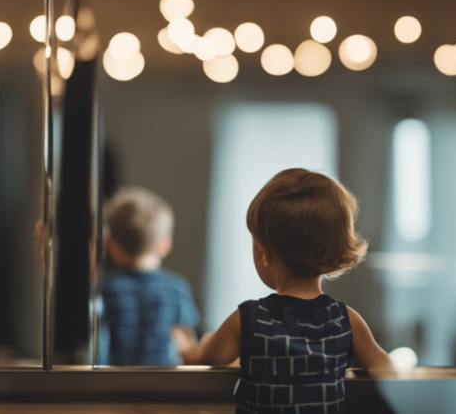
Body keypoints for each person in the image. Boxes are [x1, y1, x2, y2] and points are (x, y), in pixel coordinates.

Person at [175, 168, 393, 413]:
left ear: (264, 251)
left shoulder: (249, 319)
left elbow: (207, 357)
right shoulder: (347, 320)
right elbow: (385, 368)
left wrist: (191, 345)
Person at [101, 187, 200, 366]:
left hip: (116, 383)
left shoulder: (107, 288)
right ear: (165, 245)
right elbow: (188, 345)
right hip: (163, 385)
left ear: (113, 248)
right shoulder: (177, 288)